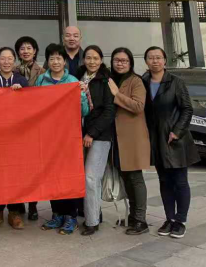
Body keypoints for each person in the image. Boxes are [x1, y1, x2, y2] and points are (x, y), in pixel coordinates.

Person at [144, 47, 200, 240]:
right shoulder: (143, 82)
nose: (155, 61)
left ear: (165, 60)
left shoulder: (176, 82)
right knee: (164, 181)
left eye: (158, 57)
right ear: (146, 61)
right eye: (151, 58)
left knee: (180, 181)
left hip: (175, 139)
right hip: (156, 139)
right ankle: (169, 218)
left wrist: (177, 131)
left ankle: (180, 221)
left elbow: (187, 109)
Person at [38, 44, 90, 236]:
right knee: (51, 175)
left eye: (59, 58)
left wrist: (81, 95)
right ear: (48, 61)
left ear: (65, 61)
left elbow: (84, 111)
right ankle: (57, 214)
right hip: (48, 137)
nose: (55, 62)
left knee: (68, 176)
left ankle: (71, 216)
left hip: (68, 137)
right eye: (52, 58)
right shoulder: (41, 80)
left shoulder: (73, 81)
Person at [108, 48, 151, 236]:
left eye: (124, 61)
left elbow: (138, 106)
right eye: (117, 60)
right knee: (125, 177)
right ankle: (133, 216)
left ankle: (141, 220)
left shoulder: (136, 81)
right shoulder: (110, 79)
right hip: (116, 137)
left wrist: (116, 94)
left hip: (132, 137)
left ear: (130, 63)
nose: (120, 64)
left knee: (135, 177)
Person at [0, 47, 29, 230]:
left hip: (17, 135)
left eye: (10, 58)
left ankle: (14, 212)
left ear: (14, 61)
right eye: (3, 58)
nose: (6, 62)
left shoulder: (21, 80)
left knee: (15, 173)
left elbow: (30, 105)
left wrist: (20, 93)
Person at [77, 46, 116, 237]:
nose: (92, 61)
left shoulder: (106, 80)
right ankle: (94, 214)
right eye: (88, 58)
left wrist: (92, 133)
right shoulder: (79, 78)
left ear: (101, 60)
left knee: (91, 177)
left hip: (100, 136)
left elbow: (109, 111)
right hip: (80, 134)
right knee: (88, 178)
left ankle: (91, 222)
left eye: (96, 58)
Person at [14, 36, 46, 221]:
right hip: (16, 125)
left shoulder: (43, 72)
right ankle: (18, 203)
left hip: (35, 125)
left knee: (33, 167)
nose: (25, 51)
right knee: (17, 166)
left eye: (29, 48)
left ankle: (33, 204)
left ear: (35, 51)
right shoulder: (12, 70)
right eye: (22, 48)